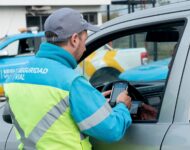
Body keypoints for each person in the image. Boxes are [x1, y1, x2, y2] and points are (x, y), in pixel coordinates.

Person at [4, 8, 132, 150]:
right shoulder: (72, 83)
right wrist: (122, 106)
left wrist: (88, 101)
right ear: (75, 39)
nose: (84, 48)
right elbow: (112, 130)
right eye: (85, 40)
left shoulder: (15, 77)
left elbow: (14, 115)